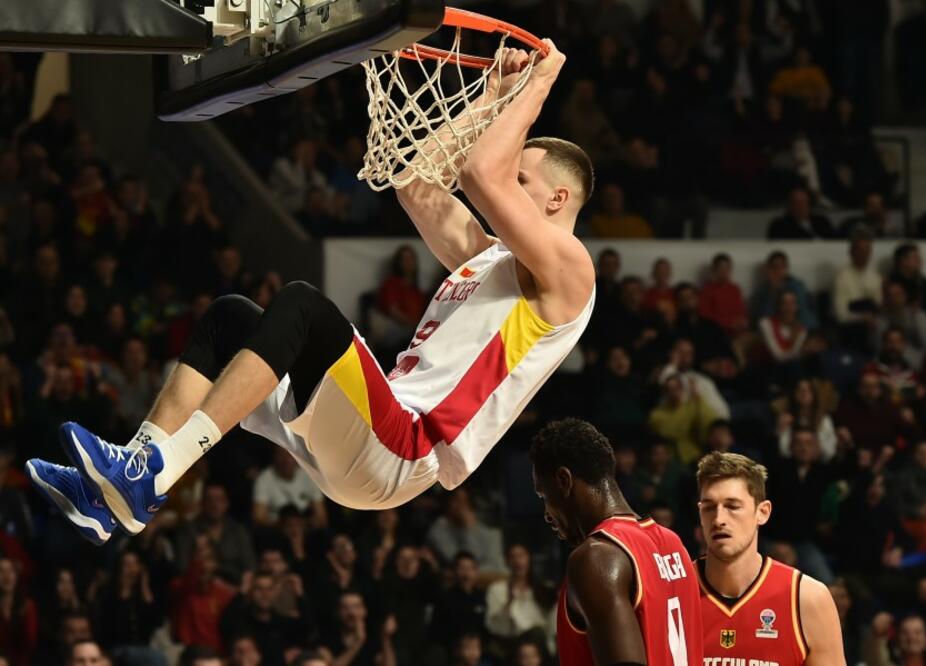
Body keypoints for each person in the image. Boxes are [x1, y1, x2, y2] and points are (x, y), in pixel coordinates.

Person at [28, 43, 596, 544]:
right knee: (231, 320)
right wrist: (493, 94)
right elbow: (414, 184)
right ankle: (121, 491)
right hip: (364, 437)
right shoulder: (492, 259)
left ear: (557, 200)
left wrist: (536, 86)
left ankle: (156, 471)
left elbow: (478, 174)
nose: (509, 196)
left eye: (523, 183)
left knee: (303, 305)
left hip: (406, 445)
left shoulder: (570, 273)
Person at [529, 419, 703, 665]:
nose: (546, 512)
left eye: (543, 494)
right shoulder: (673, 543)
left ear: (563, 480)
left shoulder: (596, 556)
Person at [695, 452, 844, 666]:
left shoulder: (807, 599)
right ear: (700, 514)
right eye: (709, 508)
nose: (719, 519)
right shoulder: (673, 593)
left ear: (762, 512)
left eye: (732, 506)